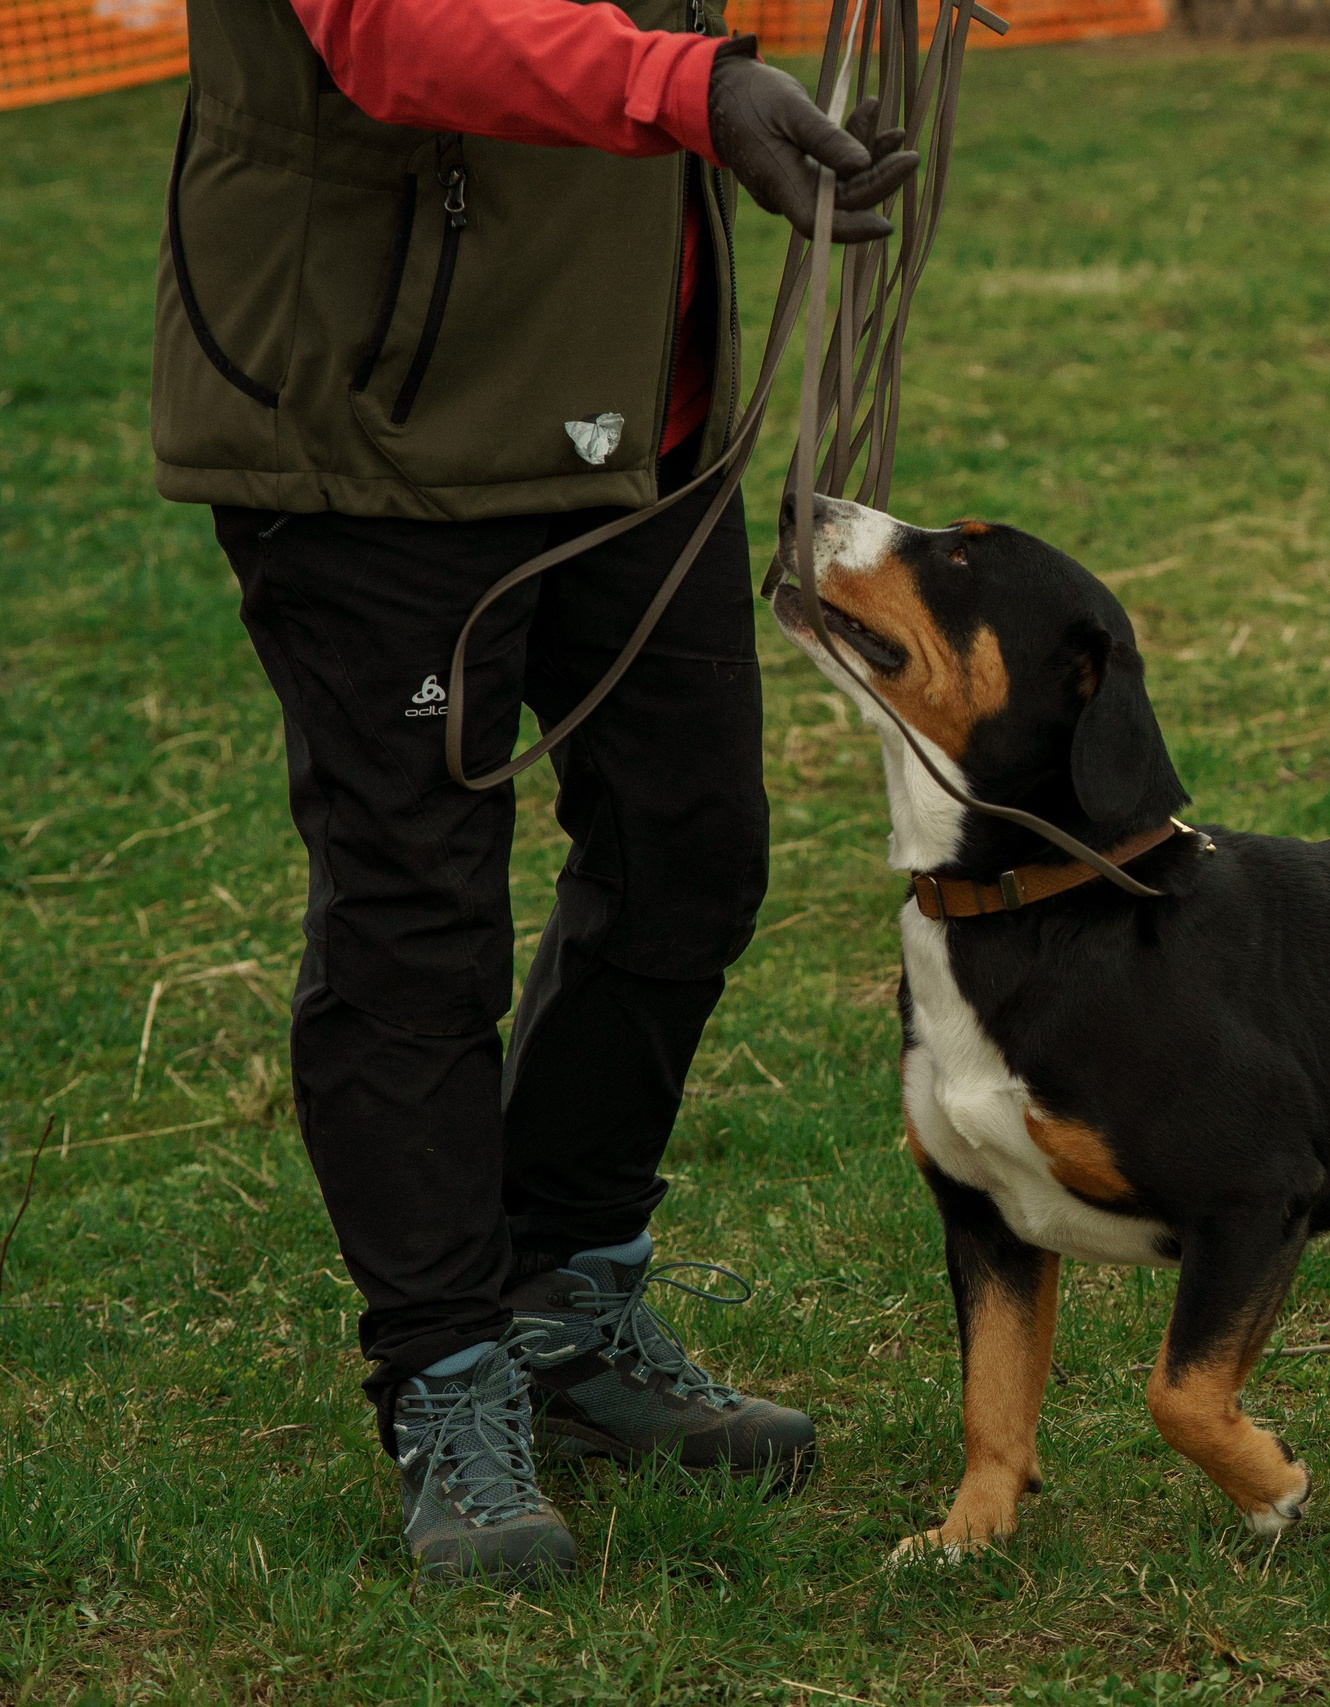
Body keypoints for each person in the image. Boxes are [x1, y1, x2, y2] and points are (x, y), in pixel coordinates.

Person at [151, 0, 917, 1583]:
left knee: (688, 854)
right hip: (378, 417)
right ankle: (444, 1371)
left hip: (635, 407)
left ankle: (566, 1303)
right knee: (416, 918)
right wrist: (693, 84)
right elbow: (390, 30)